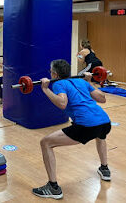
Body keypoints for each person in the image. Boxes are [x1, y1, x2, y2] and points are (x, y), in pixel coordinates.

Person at [32, 59, 111, 200]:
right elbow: (102, 99)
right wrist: (89, 81)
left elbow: (62, 103)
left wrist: (45, 89)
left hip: (86, 126)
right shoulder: (81, 82)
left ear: (54, 74)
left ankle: (53, 187)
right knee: (100, 136)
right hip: (104, 121)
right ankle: (104, 169)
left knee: (45, 142)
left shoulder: (58, 84)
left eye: (51, 72)